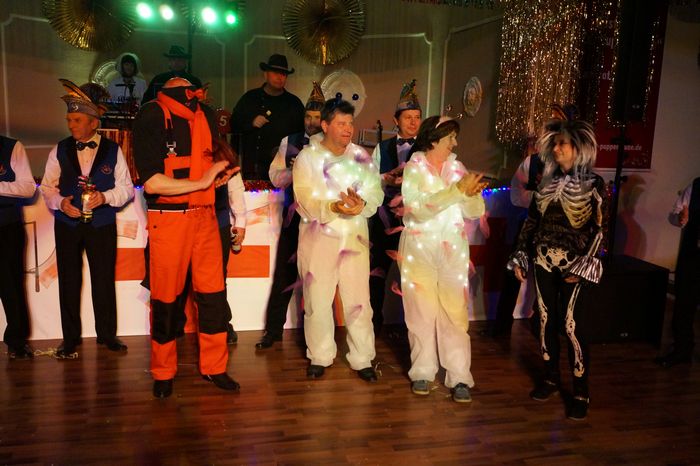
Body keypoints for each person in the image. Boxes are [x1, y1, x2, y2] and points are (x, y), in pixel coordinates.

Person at [132, 77, 237, 398]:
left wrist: (217, 178)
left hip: (206, 217)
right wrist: (202, 182)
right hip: (169, 220)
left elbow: (209, 162)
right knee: (165, 301)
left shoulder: (206, 115)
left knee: (213, 297)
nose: (195, 99)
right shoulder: (151, 114)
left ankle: (215, 367)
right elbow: (152, 183)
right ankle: (163, 372)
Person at [508, 116, 607, 421]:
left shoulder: (594, 184)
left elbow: (600, 229)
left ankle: (580, 391)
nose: (557, 148)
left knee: (572, 326)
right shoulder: (545, 183)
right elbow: (531, 222)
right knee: (545, 321)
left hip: (574, 264)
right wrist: (521, 255)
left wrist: (585, 264)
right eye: (555, 144)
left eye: (563, 144)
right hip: (542, 260)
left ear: (578, 148)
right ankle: (550, 378)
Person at [40, 80, 134, 358]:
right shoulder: (59, 149)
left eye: (77, 120)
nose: (71, 125)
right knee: (69, 282)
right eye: (69, 120)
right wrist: (60, 203)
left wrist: (104, 197)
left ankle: (107, 335)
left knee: (103, 280)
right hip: (67, 225)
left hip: (102, 224)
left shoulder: (113, 150)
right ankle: (70, 339)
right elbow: (47, 187)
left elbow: (126, 189)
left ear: (94, 122)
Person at [293, 97, 383, 381]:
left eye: (350, 123)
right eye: (341, 123)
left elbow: (376, 192)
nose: (348, 129)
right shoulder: (307, 158)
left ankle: (362, 357)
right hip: (318, 240)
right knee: (318, 300)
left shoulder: (361, 157)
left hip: (354, 238)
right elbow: (304, 199)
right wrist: (334, 206)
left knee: (359, 300)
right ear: (325, 125)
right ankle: (320, 355)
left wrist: (361, 204)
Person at [398, 116, 486, 403]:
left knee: (455, 314)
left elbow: (474, 211)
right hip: (419, 249)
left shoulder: (458, 169)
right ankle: (422, 372)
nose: (455, 144)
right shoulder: (414, 168)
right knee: (420, 312)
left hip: (453, 253)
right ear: (434, 139)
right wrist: (456, 192)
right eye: (451, 138)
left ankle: (459, 376)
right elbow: (417, 208)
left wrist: (470, 195)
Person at [255, 82, 325, 349]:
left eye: (317, 117)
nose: (311, 122)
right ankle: (273, 331)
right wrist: (293, 172)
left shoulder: (332, 147)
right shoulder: (289, 141)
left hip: (320, 221)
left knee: (316, 279)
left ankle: (313, 338)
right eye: (308, 116)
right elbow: (275, 177)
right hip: (292, 219)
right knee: (283, 275)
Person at [369, 79, 422, 333]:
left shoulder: (425, 149)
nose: (413, 122)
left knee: (413, 275)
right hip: (384, 219)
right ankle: (373, 323)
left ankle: (413, 328)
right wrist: (385, 179)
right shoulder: (382, 148)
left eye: (417, 117)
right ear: (396, 120)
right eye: (408, 117)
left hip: (414, 222)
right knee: (376, 272)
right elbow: (370, 180)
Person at [230, 54, 304, 181]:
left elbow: (302, 136)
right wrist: (251, 123)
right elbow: (234, 124)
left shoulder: (294, 104)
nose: (279, 77)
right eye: (275, 73)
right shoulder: (250, 98)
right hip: (252, 171)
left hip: (284, 173)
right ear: (265, 74)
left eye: (283, 74)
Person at [655, 177, 700, 367]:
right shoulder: (697, 186)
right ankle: (682, 349)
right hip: (693, 255)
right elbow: (674, 215)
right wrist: (681, 217)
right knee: (684, 304)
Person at [0, 135, 36, 359]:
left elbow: (28, 188)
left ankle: (17, 341)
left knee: (11, 286)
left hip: (6, 226)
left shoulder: (11, 147)